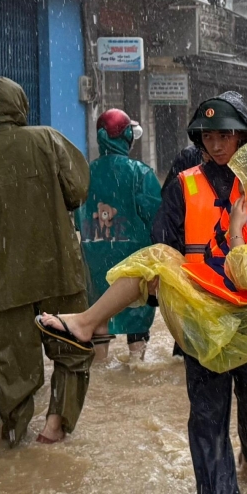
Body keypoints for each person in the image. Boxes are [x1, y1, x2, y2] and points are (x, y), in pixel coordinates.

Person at [41, 94, 247, 494]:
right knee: (208, 418)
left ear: (244, 136)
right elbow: (164, 244)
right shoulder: (184, 184)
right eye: (208, 137)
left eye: (225, 135)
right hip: (203, 317)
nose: (217, 145)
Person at [0, 77, 93, 446]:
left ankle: (14, 437)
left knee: (12, 365)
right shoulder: (46, 140)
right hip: (57, 268)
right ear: (19, 104)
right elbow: (77, 191)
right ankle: (55, 426)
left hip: (3, 279)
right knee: (71, 348)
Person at [76, 108, 162, 363]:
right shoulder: (140, 173)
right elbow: (157, 219)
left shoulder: (84, 174)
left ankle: (99, 369)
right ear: (126, 136)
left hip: (95, 259)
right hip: (133, 260)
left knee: (98, 313)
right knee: (136, 315)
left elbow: (77, 218)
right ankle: (136, 366)